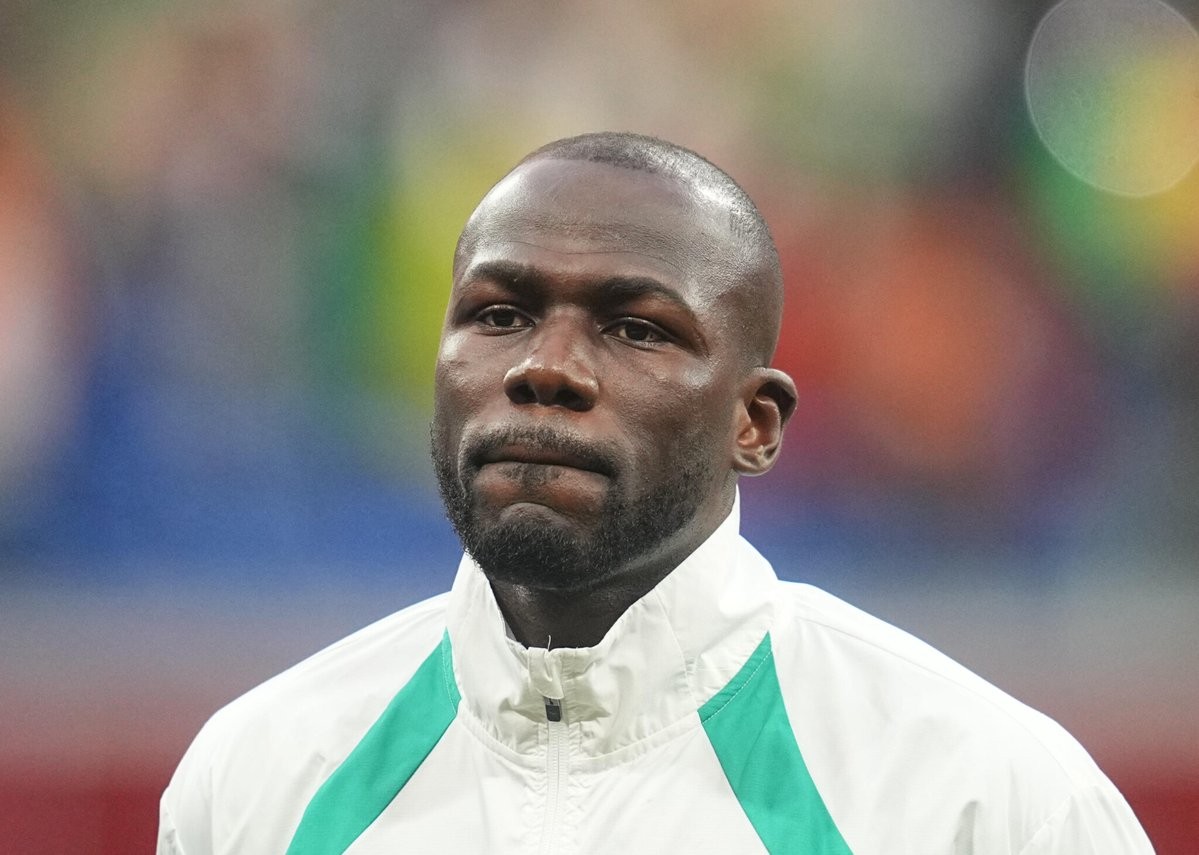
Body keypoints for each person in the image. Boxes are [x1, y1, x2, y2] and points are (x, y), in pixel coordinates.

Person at [158, 132, 1152, 854]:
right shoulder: (256, 784)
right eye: (499, 315)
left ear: (753, 423)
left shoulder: (982, 802)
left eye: (635, 329)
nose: (545, 367)